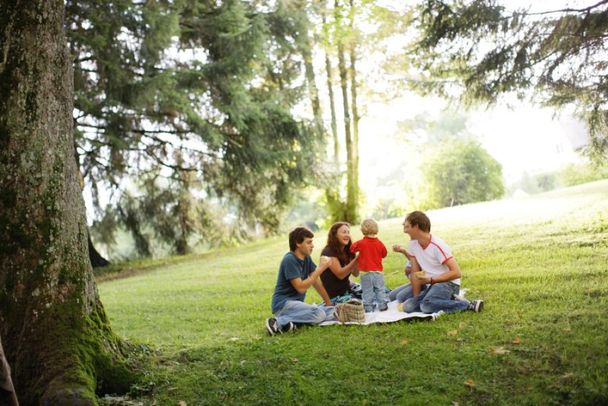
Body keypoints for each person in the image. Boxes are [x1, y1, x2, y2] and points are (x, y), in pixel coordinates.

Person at [393, 211, 484, 314]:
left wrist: (431, 280)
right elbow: (416, 274)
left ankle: (468, 304)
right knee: (408, 306)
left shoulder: (438, 245)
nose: (404, 228)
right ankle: (440, 299)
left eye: (407, 226)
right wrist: (416, 298)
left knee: (426, 307)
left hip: (448, 283)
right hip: (430, 283)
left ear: (416, 226)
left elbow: (456, 273)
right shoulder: (413, 244)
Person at [266, 227, 335, 335]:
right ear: (298, 243)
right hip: (283, 305)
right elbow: (301, 288)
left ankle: (290, 323)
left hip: (296, 305)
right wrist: (321, 268)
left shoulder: (306, 258)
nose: (312, 245)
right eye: (309, 242)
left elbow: (316, 281)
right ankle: (278, 322)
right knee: (319, 315)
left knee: (331, 312)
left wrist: (329, 303)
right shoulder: (290, 259)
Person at [350, 219, 388, 312]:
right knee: (380, 289)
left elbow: (352, 249)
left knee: (367, 290)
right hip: (378, 272)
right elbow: (384, 254)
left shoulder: (360, 243)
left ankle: (368, 307)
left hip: (365, 273)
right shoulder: (379, 243)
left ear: (363, 229)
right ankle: (382, 305)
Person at [319, 222, 360, 304]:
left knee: (373, 291)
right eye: (344, 232)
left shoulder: (347, 250)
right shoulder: (328, 251)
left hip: (347, 289)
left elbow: (356, 273)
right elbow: (340, 275)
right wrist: (356, 259)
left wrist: (358, 259)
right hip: (336, 296)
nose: (347, 235)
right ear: (335, 235)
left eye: (348, 232)